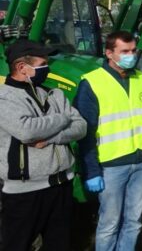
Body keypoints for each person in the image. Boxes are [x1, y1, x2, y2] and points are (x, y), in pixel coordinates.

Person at [74, 31, 142, 251]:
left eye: (133, 51)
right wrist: (91, 170)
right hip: (111, 166)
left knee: (134, 221)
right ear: (109, 53)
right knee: (109, 224)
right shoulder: (92, 83)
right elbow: (85, 131)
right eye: (124, 51)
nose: (131, 55)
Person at [0, 40, 87, 251]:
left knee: (59, 243)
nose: (47, 68)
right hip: (25, 192)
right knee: (16, 244)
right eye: (43, 63)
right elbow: (27, 130)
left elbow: (81, 126)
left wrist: (50, 138)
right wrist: (62, 118)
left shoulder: (54, 94)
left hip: (61, 185)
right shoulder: (4, 98)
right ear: (22, 67)